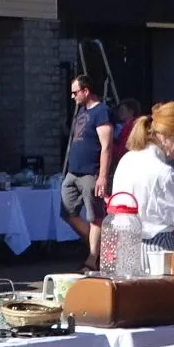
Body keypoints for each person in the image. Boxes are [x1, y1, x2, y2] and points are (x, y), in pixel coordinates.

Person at [110, 102, 174, 261]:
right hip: (157, 250)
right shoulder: (163, 173)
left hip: (124, 247)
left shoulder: (127, 159)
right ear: (169, 135)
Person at [61, 74, 116, 267]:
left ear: (86, 91)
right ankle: (102, 247)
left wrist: (102, 176)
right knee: (67, 212)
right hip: (73, 171)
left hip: (90, 172)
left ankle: (93, 258)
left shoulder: (101, 112)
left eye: (75, 92)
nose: (73, 96)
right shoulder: (81, 112)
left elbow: (106, 146)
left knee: (95, 216)